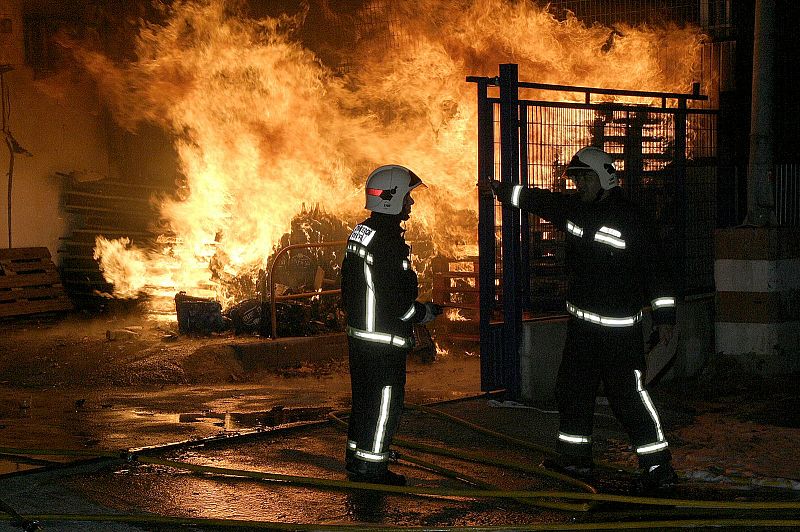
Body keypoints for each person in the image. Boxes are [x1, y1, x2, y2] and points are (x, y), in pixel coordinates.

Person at [481, 146, 678, 491]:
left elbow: (658, 271)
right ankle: (575, 461)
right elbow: (540, 201)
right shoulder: (576, 210)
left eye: (584, 178)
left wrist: (665, 318)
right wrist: (501, 190)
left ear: (604, 178)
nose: (578, 185)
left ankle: (658, 469)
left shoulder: (632, 219)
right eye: (576, 179)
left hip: (618, 333)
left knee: (628, 400)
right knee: (572, 392)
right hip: (582, 331)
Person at [340, 164, 442, 485]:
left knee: (364, 402)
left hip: (361, 337)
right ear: (391, 198)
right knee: (384, 404)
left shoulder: (362, 232)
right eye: (407, 197)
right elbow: (397, 302)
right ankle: (372, 469)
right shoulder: (388, 243)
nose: (411, 203)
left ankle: (357, 458)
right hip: (383, 342)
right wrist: (424, 313)